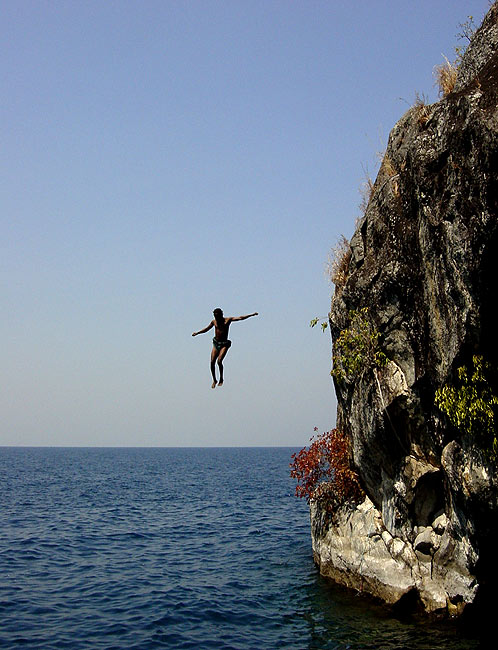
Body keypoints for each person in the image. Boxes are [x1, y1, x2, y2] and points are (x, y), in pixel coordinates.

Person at [192, 308, 258, 388]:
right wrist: (197, 333)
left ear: (221, 315)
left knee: (219, 361)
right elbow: (206, 329)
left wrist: (251, 315)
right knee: (212, 362)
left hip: (224, 344)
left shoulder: (227, 320)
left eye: (218, 317)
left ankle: (221, 378)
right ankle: (214, 380)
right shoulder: (214, 322)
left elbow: (240, 318)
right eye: (215, 317)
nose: (216, 319)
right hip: (216, 343)